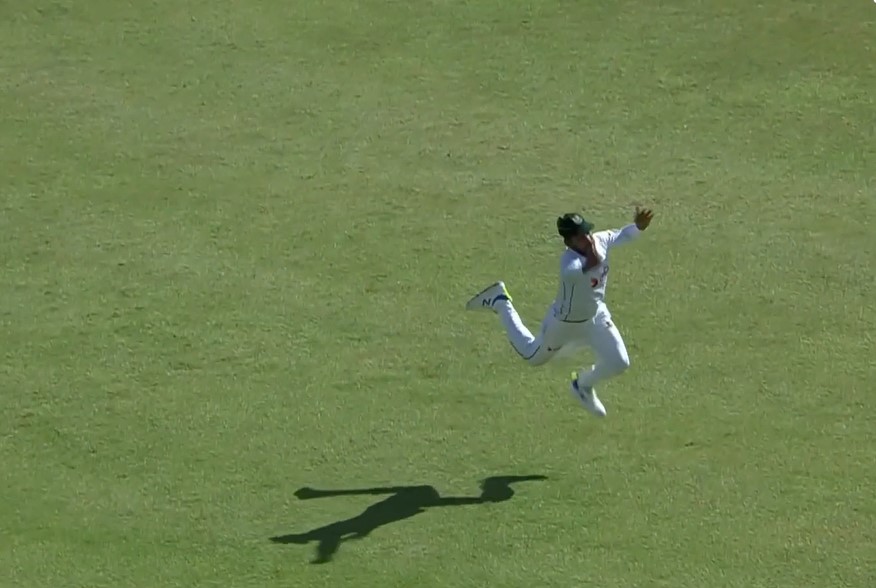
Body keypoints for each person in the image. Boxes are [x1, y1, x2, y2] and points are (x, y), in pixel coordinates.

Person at [465, 207, 654, 417]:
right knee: (532, 356)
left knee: (619, 363)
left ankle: (582, 384)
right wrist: (594, 251)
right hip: (563, 324)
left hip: (596, 317)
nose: (588, 238)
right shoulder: (569, 265)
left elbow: (622, 234)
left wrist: (638, 227)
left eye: (587, 232)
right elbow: (591, 264)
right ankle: (501, 302)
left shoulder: (599, 240)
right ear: (570, 242)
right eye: (582, 236)